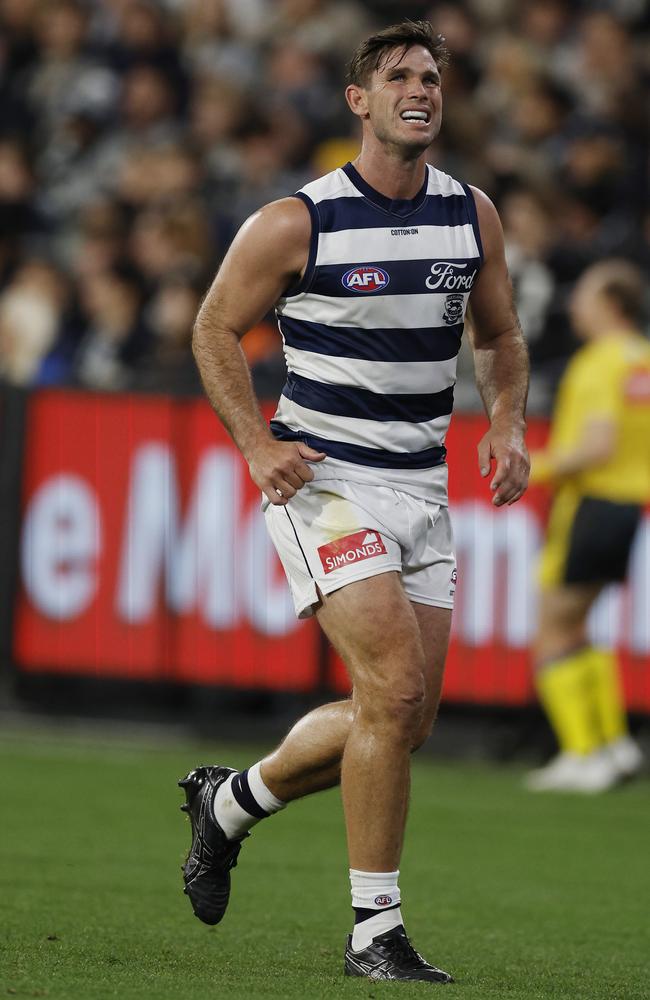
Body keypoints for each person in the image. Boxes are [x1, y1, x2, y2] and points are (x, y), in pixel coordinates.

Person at [181, 20, 529, 983]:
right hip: (326, 482)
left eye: (432, 77)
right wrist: (257, 442)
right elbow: (213, 327)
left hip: (424, 484)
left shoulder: (473, 213)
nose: (422, 89)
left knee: (401, 719)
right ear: (360, 101)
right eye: (400, 77)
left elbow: (499, 335)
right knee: (398, 693)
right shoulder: (302, 219)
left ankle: (231, 804)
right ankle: (375, 932)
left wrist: (506, 423)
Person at [526, 260, 649, 794]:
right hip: (626, 506)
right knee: (577, 627)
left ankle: (582, 754)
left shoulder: (600, 362)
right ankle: (613, 743)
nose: (574, 305)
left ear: (611, 305)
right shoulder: (641, 359)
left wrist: (538, 466)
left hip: (592, 503)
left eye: (585, 296)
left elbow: (596, 445)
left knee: (552, 628)